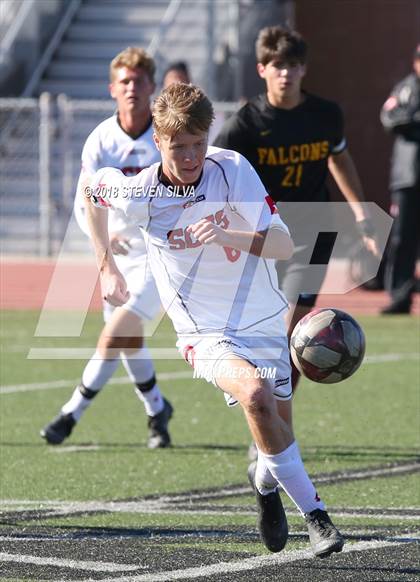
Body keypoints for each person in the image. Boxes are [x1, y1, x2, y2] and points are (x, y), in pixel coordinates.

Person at [83, 82, 345, 558]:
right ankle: (319, 519)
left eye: (198, 143)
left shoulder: (233, 170)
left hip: (263, 320)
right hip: (203, 334)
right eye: (178, 146)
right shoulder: (139, 191)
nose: (190, 156)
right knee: (255, 394)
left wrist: (231, 231)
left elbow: (284, 245)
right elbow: (90, 190)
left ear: (210, 136)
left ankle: (265, 484)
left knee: (276, 428)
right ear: (157, 142)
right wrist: (107, 265)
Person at [214, 26, 379, 395]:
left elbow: (340, 159)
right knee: (268, 333)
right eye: (277, 65)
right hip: (263, 235)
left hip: (314, 233)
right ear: (262, 70)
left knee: (299, 334)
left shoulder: (325, 114)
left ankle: (276, 419)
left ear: (304, 69)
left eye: (293, 65)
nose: (285, 73)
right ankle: (265, 415)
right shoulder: (244, 125)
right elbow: (215, 174)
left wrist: (361, 215)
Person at [40, 47, 173, 449]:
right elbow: (86, 200)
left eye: (139, 81)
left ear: (152, 86)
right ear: (112, 88)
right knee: (129, 340)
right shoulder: (100, 138)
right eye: (125, 82)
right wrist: (105, 253)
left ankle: (71, 413)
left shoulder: (166, 134)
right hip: (116, 257)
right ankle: (156, 411)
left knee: (114, 334)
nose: (132, 88)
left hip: (158, 256)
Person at [380, 44, 420, 314]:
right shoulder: (405, 88)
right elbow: (389, 118)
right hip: (408, 176)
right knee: (403, 238)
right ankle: (400, 295)